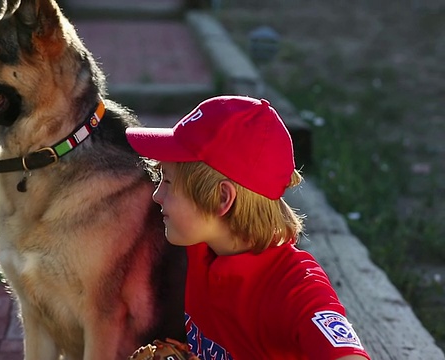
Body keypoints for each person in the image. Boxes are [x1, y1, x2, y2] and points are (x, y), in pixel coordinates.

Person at [125, 95, 371, 360]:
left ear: (222, 199)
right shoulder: (203, 245)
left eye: (169, 183)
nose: (157, 195)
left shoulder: (296, 289)